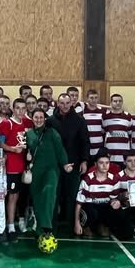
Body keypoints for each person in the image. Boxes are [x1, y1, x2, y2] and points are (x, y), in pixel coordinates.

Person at [46, 93, 89, 227]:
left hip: (74, 163)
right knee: (54, 194)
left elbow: (85, 141)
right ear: (57, 104)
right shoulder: (50, 121)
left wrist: (84, 160)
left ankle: (71, 224)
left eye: (67, 103)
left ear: (71, 103)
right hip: (55, 164)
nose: (65, 106)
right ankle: (51, 224)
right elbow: (47, 143)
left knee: (71, 195)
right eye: (62, 103)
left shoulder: (79, 120)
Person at [27, 108, 69, 241]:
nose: (38, 120)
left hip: (51, 170)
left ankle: (47, 227)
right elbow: (25, 151)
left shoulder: (52, 133)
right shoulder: (28, 134)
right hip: (35, 171)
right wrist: (27, 157)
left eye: (41, 117)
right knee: (37, 199)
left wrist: (65, 164)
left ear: (45, 119)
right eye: (36, 117)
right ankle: (40, 229)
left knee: (49, 192)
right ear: (32, 118)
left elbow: (60, 149)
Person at [74, 151, 132, 240]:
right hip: (90, 207)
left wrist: (116, 202)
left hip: (104, 207)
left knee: (118, 210)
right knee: (92, 212)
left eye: (107, 163)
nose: (105, 166)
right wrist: (76, 223)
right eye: (101, 163)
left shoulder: (114, 179)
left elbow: (113, 199)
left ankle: (103, 225)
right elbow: (79, 203)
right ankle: (86, 226)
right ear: (95, 164)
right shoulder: (88, 179)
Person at [2, 98, 32, 242]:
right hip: (12, 166)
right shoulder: (8, 123)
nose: (20, 111)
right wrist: (13, 149)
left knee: (20, 196)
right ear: (13, 109)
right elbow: (0, 143)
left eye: (23, 108)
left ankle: (17, 221)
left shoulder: (26, 123)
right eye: (18, 108)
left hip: (23, 166)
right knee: (12, 197)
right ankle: (10, 226)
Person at [102, 94, 132, 167]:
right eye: (115, 101)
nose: (118, 103)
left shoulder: (128, 116)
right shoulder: (105, 116)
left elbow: (130, 134)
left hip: (124, 155)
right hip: (110, 155)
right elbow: (103, 132)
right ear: (111, 103)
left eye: (120, 101)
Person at [82, 89, 105, 163]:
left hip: (99, 148)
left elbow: (105, 127)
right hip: (86, 149)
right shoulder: (82, 110)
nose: (94, 100)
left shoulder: (102, 111)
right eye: (91, 98)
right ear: (87, 98)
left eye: (96, 98)